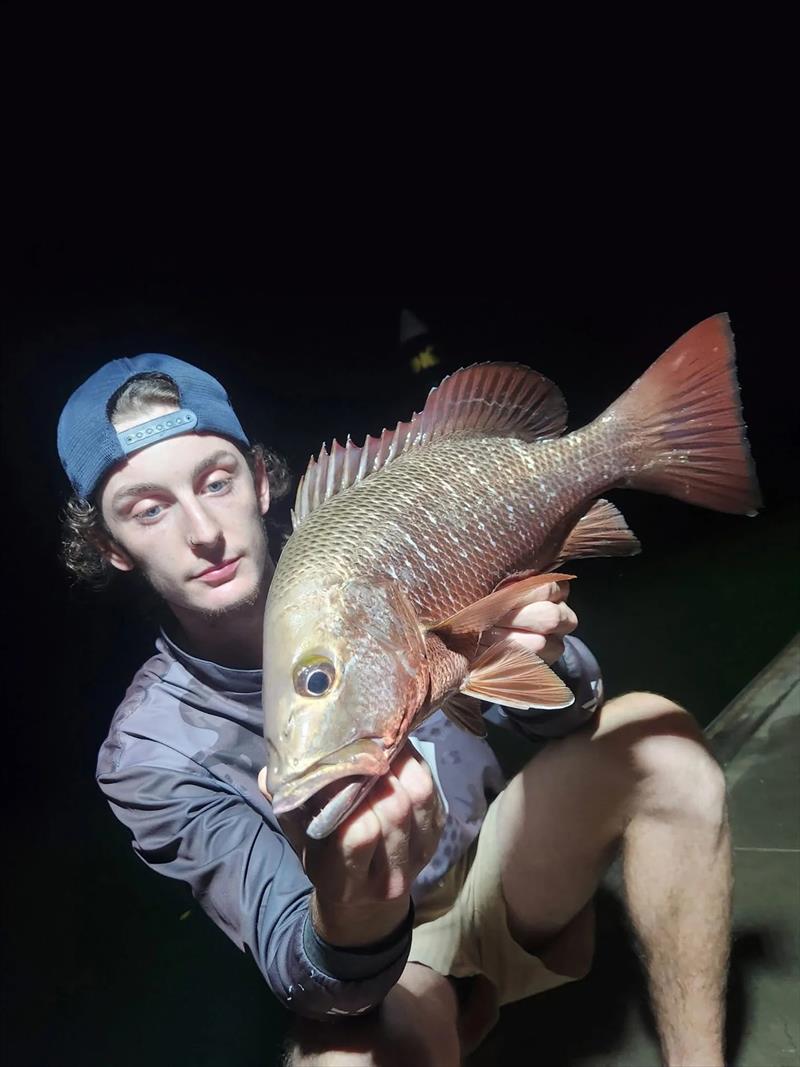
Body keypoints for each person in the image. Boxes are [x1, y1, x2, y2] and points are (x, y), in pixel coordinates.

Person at [57, 353, 732, 1066]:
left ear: (259, 482)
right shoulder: (146, 752)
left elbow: (567, 714)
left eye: (215, 480)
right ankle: (452, 1011)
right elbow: (300, 967)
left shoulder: (355, 560)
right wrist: (357, 906)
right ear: (112, 547)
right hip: (392, 971)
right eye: (149, 507)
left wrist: (549, 650)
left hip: (510, 865)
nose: (202, 530)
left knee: (662, 744)